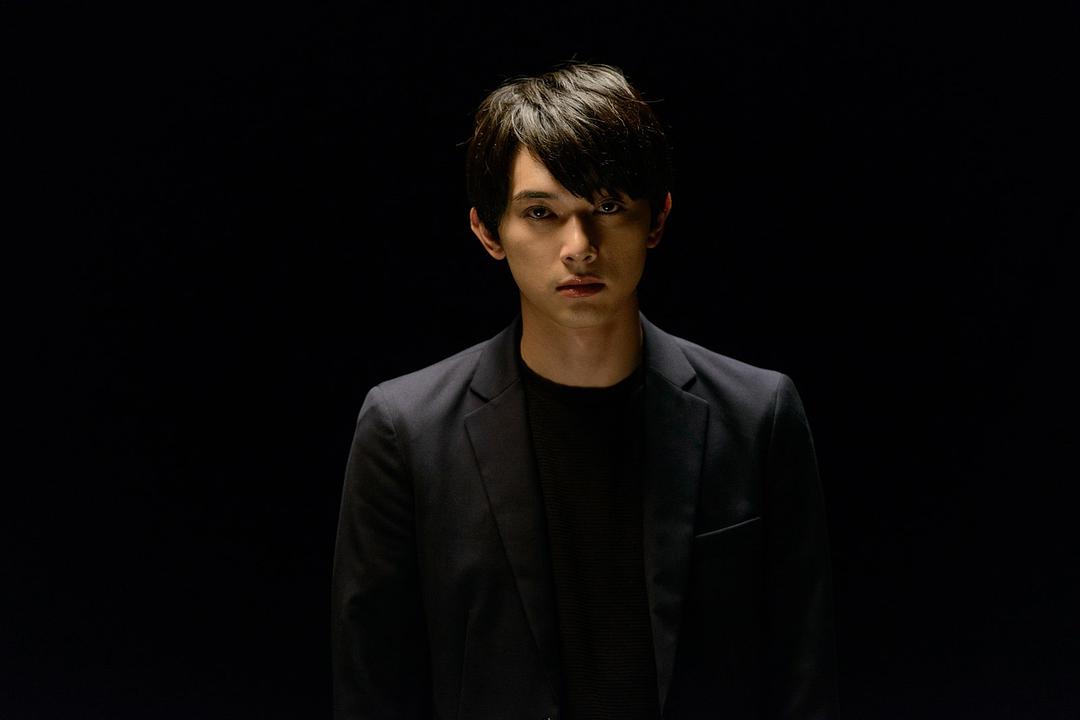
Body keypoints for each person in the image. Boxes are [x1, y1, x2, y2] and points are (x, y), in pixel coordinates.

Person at [331, 62, 839, 719]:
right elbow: (373, 691)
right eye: (541, 212)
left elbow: (804, 678)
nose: (580, 246)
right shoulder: (405, 431)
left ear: (656, 219)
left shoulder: (757, 414)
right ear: (488, 231)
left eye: (607, 206)